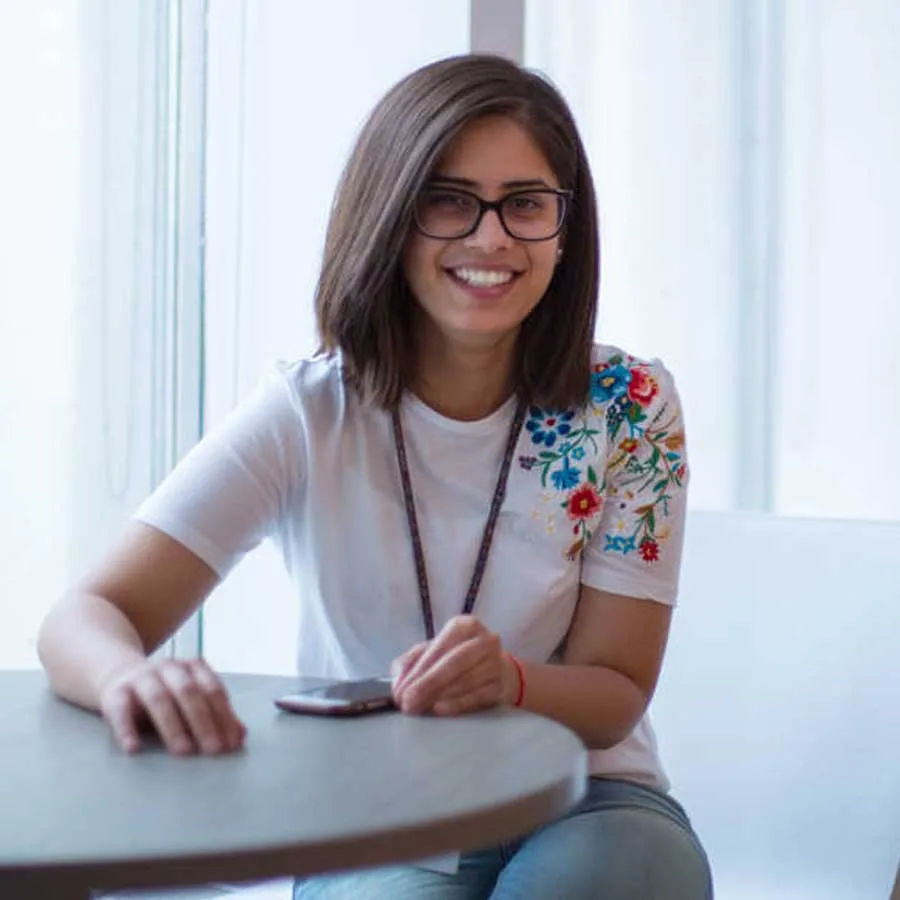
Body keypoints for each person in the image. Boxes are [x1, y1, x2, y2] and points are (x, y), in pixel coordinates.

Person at [38, 53, 712, 899]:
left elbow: (615, 693)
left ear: (565, 230)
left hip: (590, 799)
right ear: (392, 215)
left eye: (526, 204)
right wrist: (129, 677)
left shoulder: (630, 405)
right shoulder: (307, 411)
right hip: (375, 816)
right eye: (449, 199)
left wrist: (509, 681)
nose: (492, 236)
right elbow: (83, 617)